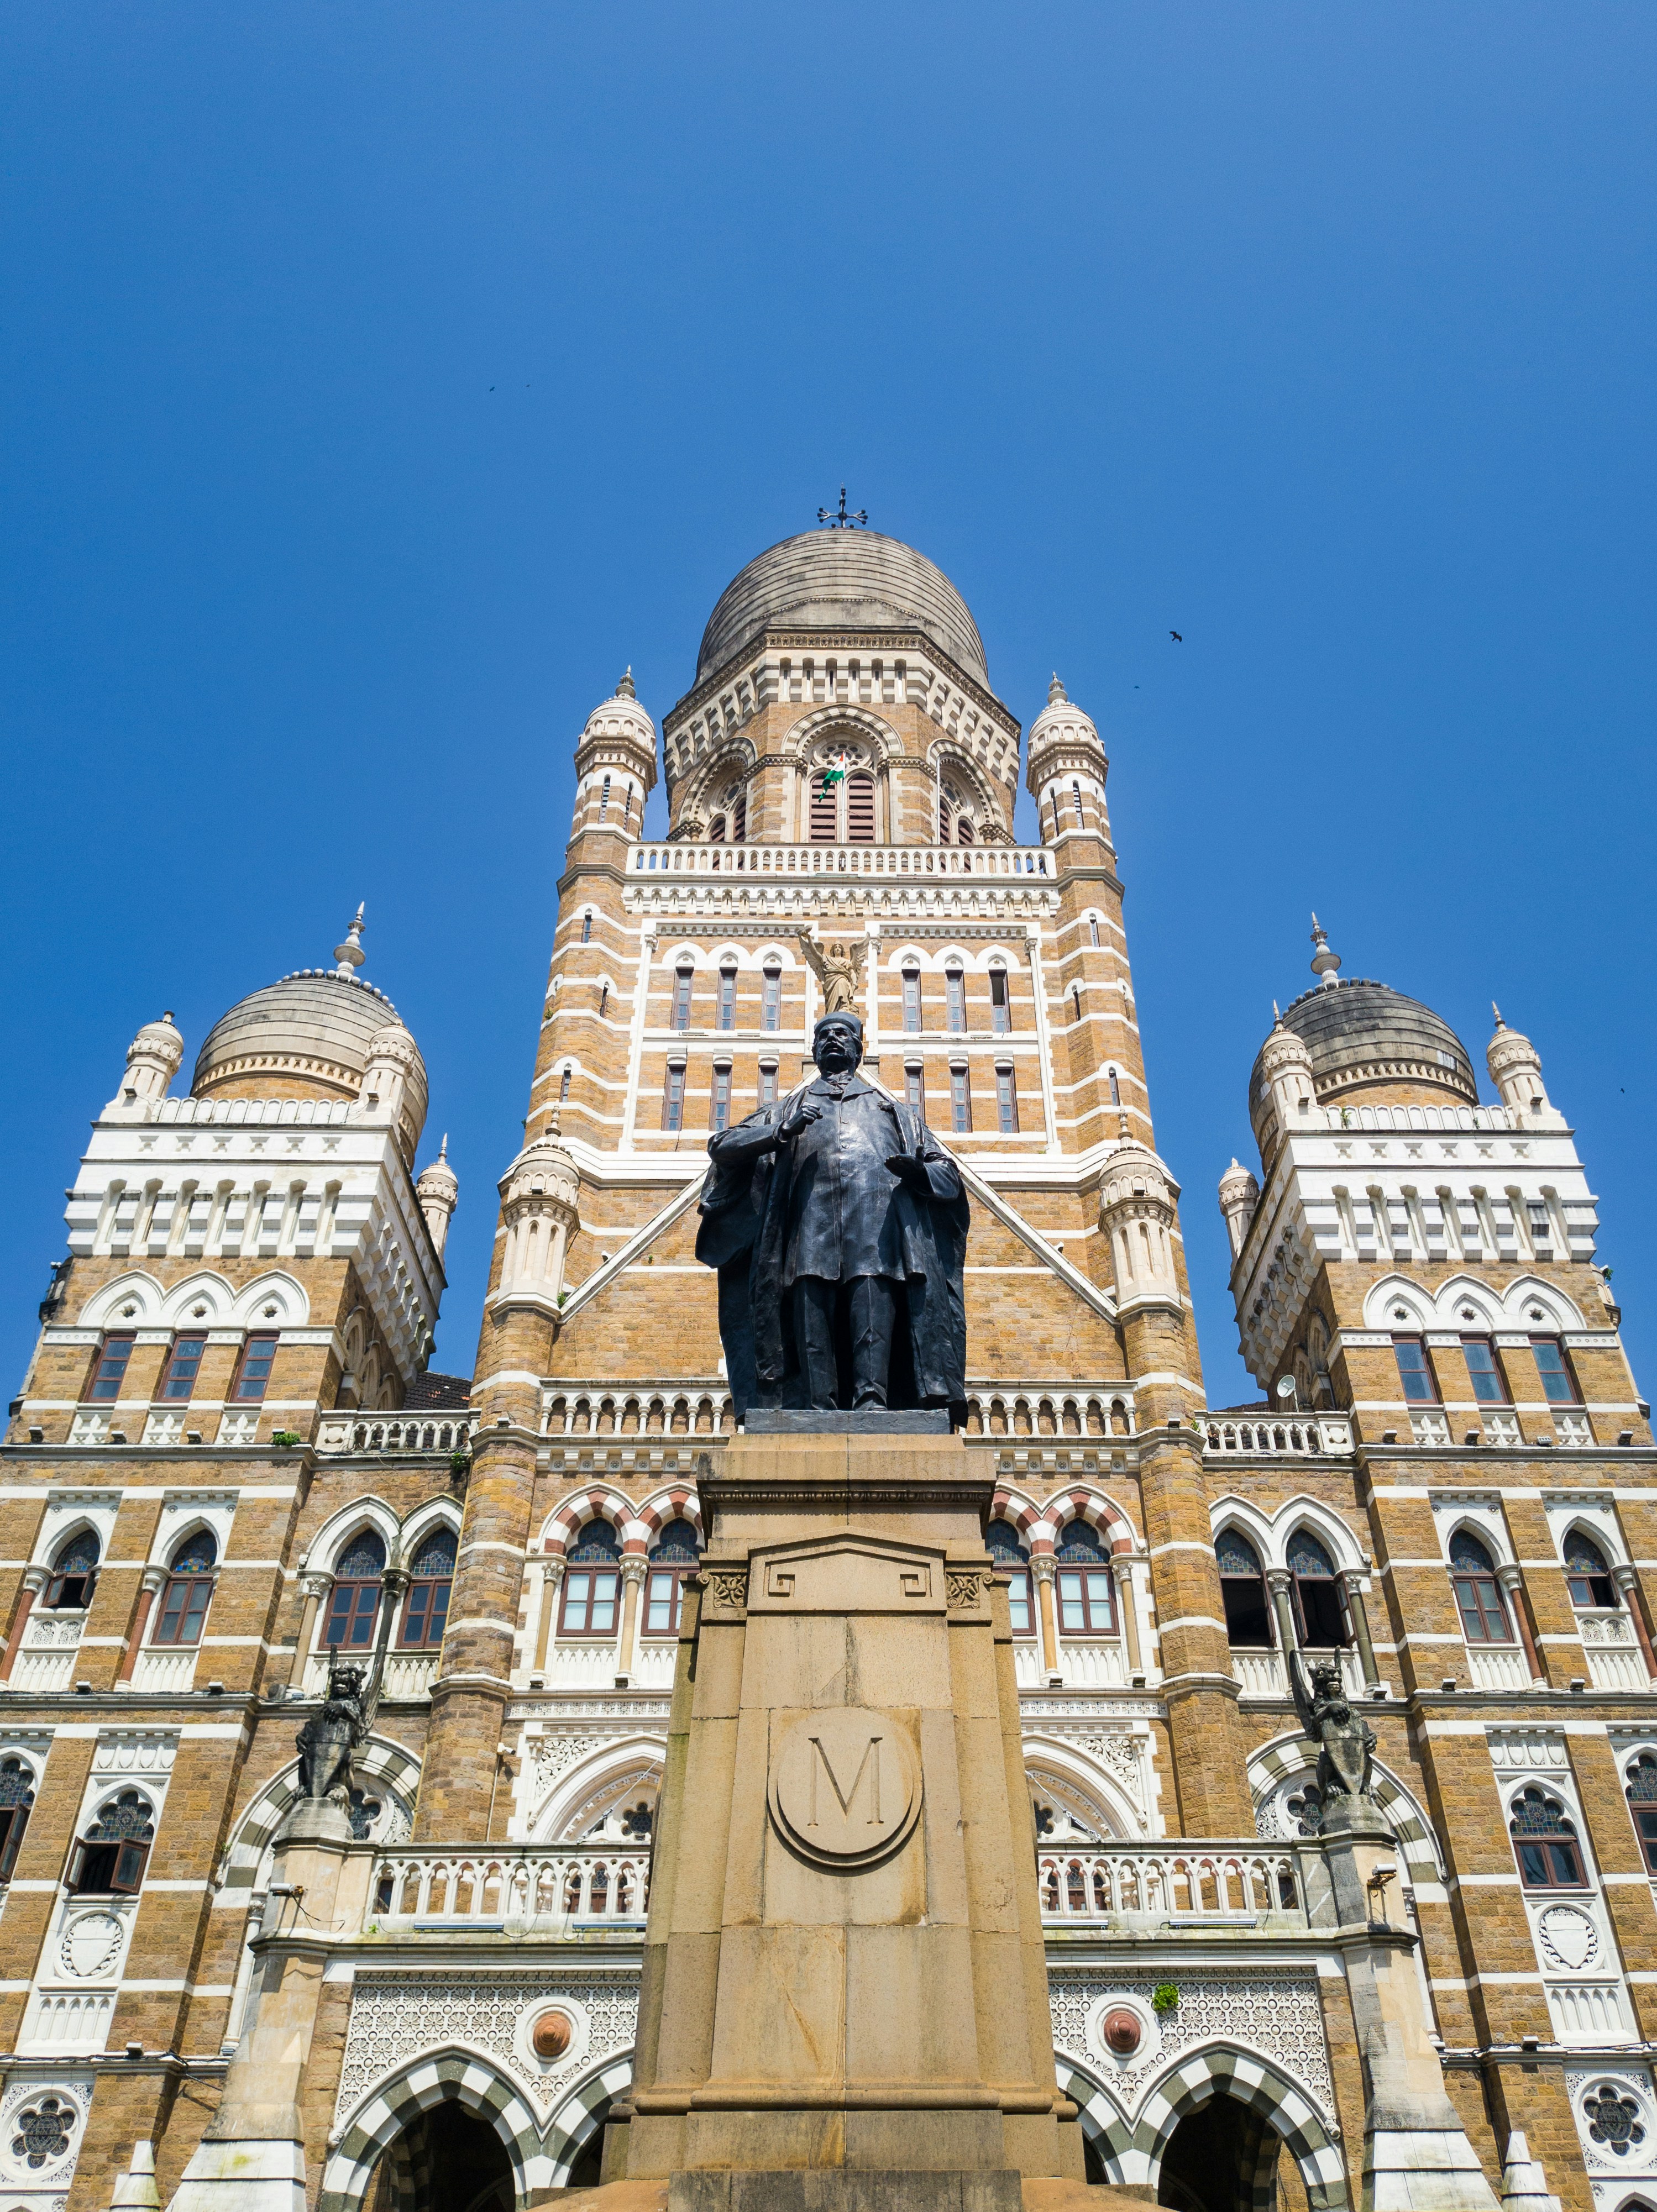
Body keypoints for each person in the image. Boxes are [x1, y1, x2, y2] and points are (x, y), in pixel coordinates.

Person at [696, 1011, 967, 1414]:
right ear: (815, 1050)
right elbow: (721, 1145)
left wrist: (919, 1171)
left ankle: (872, 1402)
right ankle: (816, 1408)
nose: (833, 1039)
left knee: (873, 1321)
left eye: (843, 1034)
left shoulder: (893, 1113)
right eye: (824, 1035)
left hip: (878, 1240)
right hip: (808, 1236)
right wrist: (780, 1132)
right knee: (811, 1325)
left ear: (859, 1049)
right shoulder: (788, 1109)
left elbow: (948, 1176)